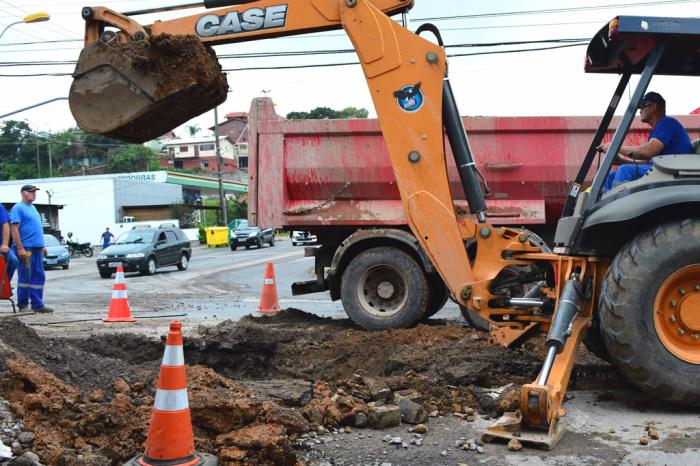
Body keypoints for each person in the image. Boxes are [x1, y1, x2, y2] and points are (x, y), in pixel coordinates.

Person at [598, 92, 693, 192]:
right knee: (608, 176)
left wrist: (614, 147)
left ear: (653, 107)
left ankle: (615, 206)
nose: (640, 111)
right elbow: (645, 162)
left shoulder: (667, 123)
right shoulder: (658, 129)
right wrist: (621, 160)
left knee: (624, 171)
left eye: (642, 107)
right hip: (661, 170)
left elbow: (647, 151)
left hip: (670, 172)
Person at [10, 185, 52, 313]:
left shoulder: (33, 208)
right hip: (26, 248)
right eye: (32, 192)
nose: (34, 194)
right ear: (23, 193)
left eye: (35, 192)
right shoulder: (18, 208)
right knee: (25, 277)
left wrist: (43, 245)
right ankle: (23, 305)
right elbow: (14, 229)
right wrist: (20, 248)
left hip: (37, 248)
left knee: (39, 276)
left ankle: (38, 304)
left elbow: (36, 228)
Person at [0, 203, 18, 288]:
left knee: (13, 260)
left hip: (1, 246)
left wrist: (4, 244)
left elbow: (5, 224)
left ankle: (4, 286)